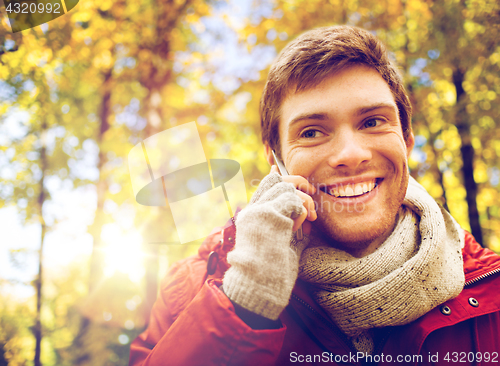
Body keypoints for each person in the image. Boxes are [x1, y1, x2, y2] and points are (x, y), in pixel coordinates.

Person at [129, 25, 500, 366]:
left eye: (372, 122)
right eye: (311, 132)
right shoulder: (192, 289)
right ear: (276, 161)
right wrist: (244, 307)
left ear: (406, 141)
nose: (350, 154)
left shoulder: (491, 286)